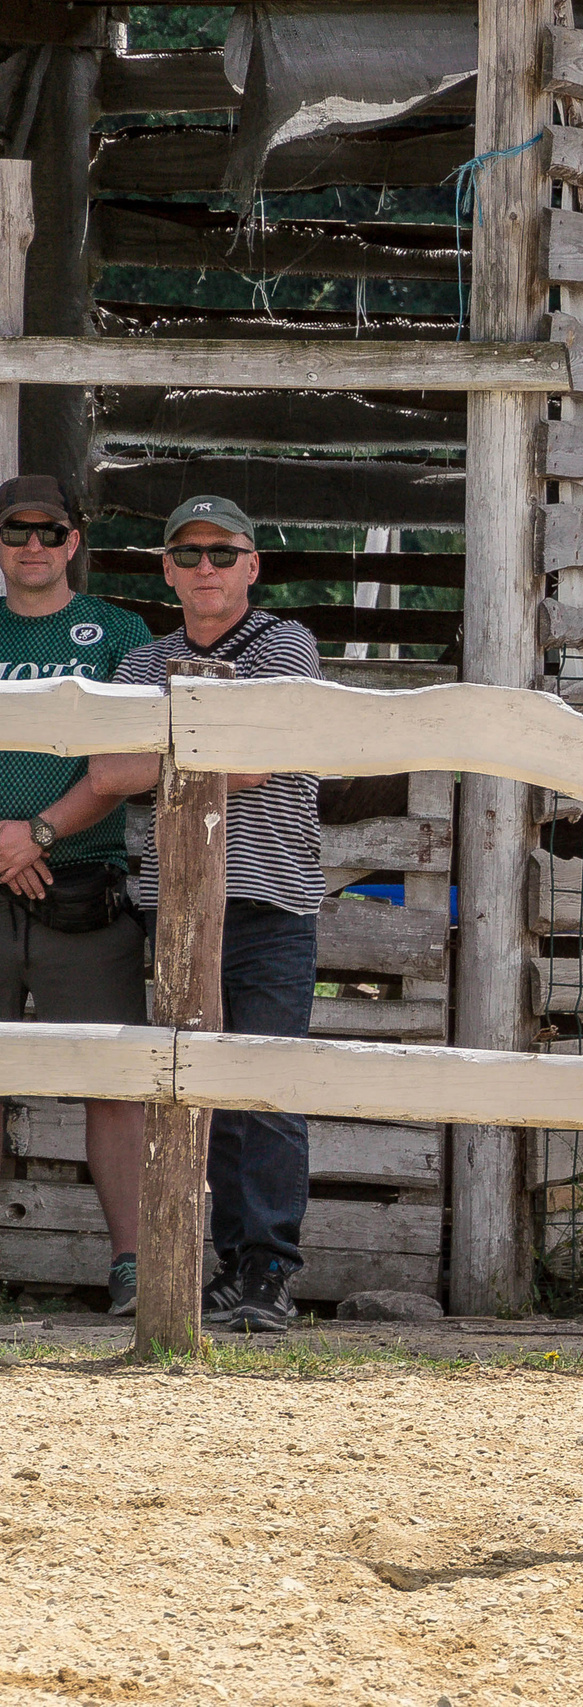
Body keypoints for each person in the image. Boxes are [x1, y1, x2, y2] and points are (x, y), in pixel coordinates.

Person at [85, 496, 323, 1334]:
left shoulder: (288, 644)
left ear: (252, 567)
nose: (205, 569)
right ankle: (224, 1271)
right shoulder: (144, 660)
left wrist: (166, 757)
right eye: (187, 555)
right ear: (167, 571)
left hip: (268, 899)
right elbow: (107, 766)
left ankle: (267, 1274)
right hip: (174, 908)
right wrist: (201, 751)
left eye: (223, 553)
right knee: (194, 1091)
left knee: (264, 1090)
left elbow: (260, 759)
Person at [0, 475, 156, 1314]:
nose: (32, 546)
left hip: (82, 883)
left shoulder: (120, 633)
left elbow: (129, 760)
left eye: (47, 531)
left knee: (114, 1078)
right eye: (15, 531)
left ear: (74, 540)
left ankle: (133, 1262)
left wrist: (40, 832)